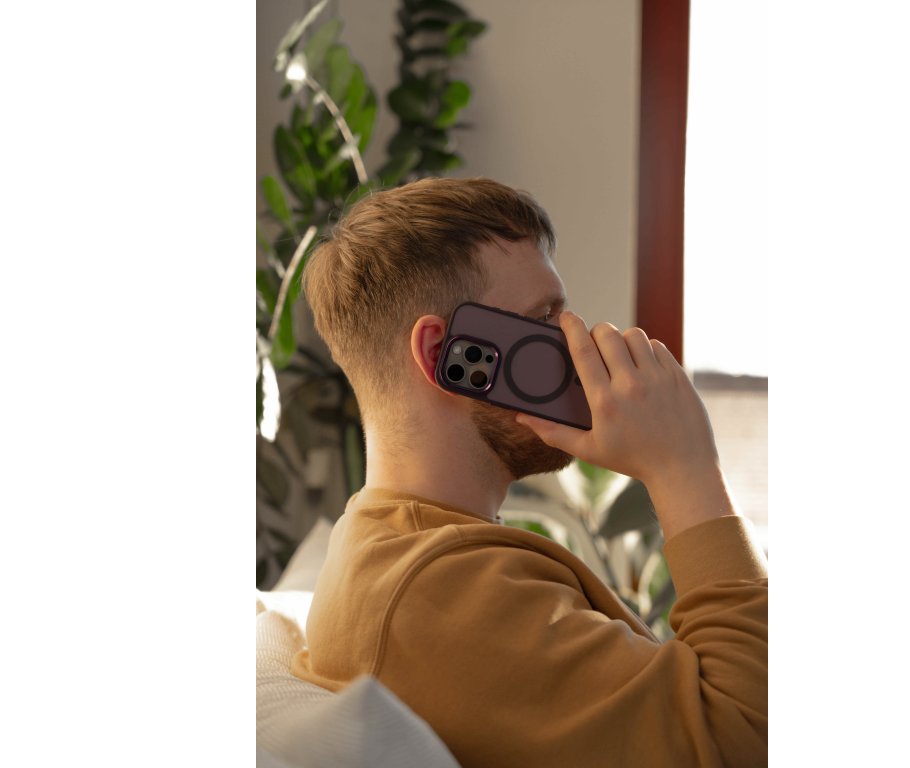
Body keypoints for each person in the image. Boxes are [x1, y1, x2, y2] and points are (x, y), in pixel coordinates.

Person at [292, 177, 768, 767]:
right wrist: (685, 466)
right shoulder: (437, 592)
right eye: (546, 318)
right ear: (444, 355)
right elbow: (751, 738)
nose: (577, 343)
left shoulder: (406, 548)